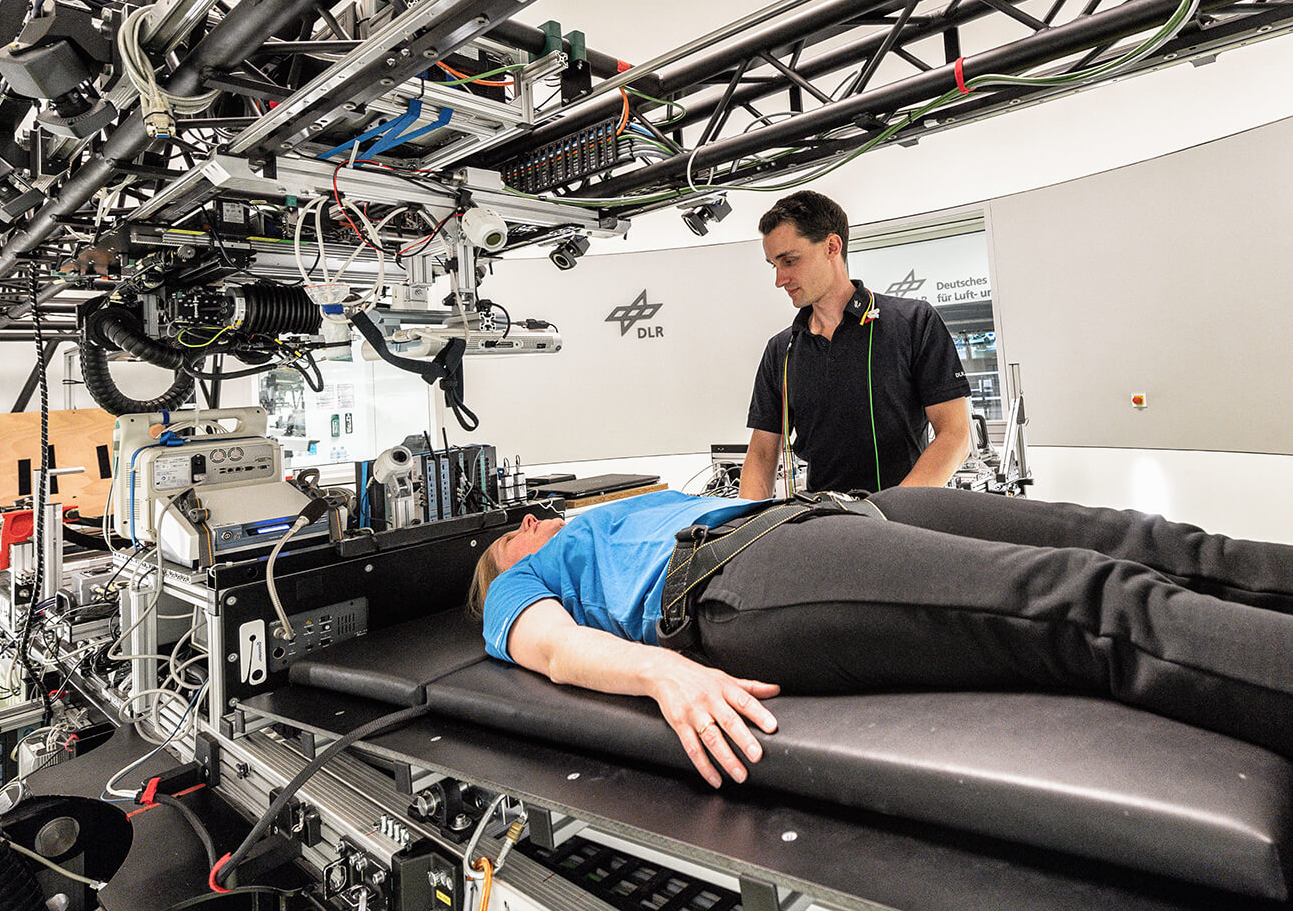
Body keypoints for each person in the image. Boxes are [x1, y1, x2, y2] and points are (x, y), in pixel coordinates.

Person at [471, 489, 1293, 789]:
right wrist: (662, 673)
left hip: (841, 508)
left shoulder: (609, 510)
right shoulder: (517, 585)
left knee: (1138, 538)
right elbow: (552, 648)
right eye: (513, 534)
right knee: (1090, 601)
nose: (532, 524)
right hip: (744, 576)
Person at [741, 192, 972, 497]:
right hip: (825, 524)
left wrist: (893, 514)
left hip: (905, 522)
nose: (780, 279)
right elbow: (761, 455)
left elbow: (955, 435)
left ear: (832, 247)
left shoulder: (913, 322)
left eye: (790, 261)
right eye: (774, 265)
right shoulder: (781, 350)